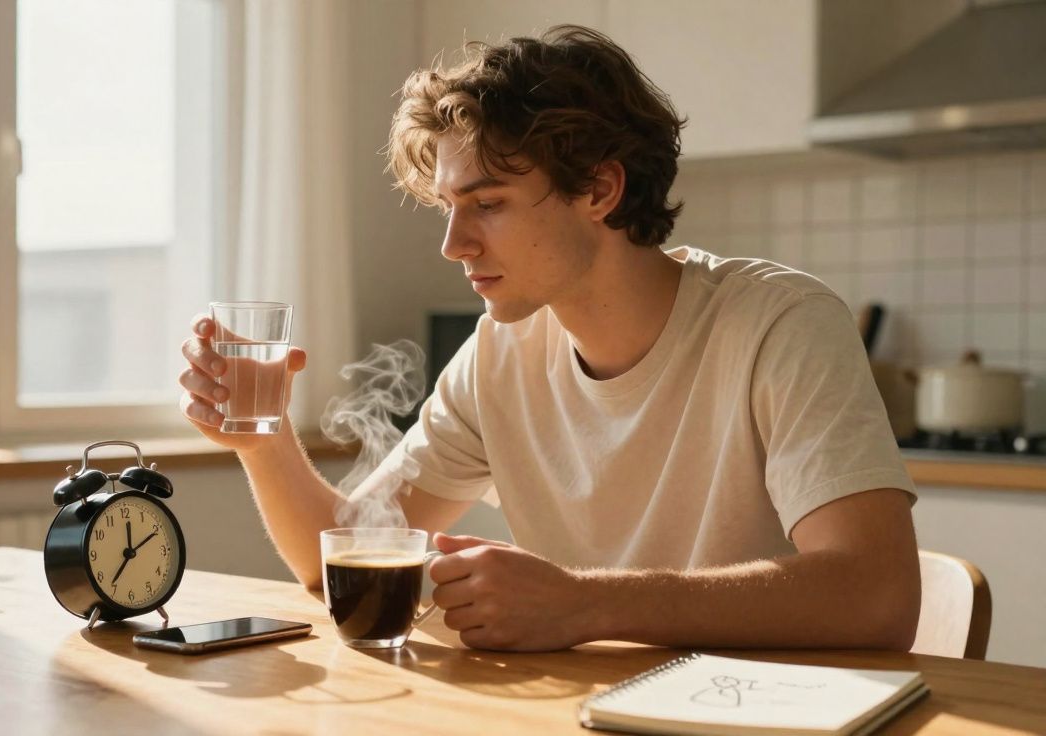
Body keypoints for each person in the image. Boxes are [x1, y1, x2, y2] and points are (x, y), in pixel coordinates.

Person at [179, 25, 920, 653]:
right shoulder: (500, 355)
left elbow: (878, 596)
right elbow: (341, 558)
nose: (453, 244)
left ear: (599, 190)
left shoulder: (779, 325)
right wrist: (265, 436)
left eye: (488, 204)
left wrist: (586, 604)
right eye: (446, 207)